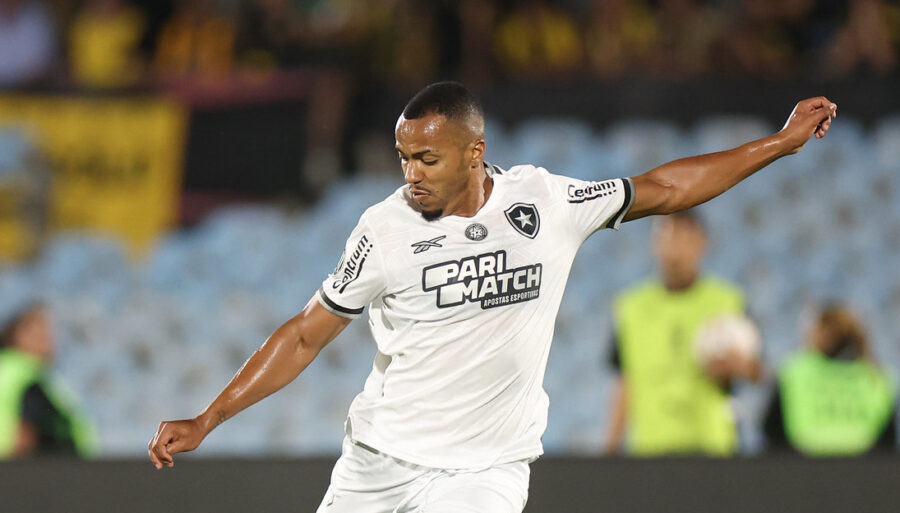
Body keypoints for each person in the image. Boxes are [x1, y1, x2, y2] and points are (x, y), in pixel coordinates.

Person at [149, 82, 837, 512]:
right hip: (378, 462)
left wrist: (779, 143)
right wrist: (210, 417)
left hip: (483, 471)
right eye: (403, 158)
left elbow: (664, 188)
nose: (411, 174)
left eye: (428, 159)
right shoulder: (384, 230)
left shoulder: (545, 201)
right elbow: (305, 333)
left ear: (475, 151)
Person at [604, 210, 761, 456]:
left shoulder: (729, 301)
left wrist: (739, 366)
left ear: (702, 242)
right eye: (667, 238)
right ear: (654, 244)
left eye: (684, 238)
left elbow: (758, 370)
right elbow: (625, 382)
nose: (674, 249)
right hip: (650, 449)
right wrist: (610, 450)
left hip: (714, 447)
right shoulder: (630, 307)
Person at [764, 304, 897, 456]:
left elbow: (771, 430)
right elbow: (887, 442)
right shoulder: (876, 376)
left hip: (803, 469)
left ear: (821, 333)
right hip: (861, 470)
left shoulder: (796, 372)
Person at [0, 303, 96, 459]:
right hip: (29, 472)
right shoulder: (23, 374)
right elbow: (24, 432)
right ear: (16, 333)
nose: (46, 338)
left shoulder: (13, 370)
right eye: (37, 330)